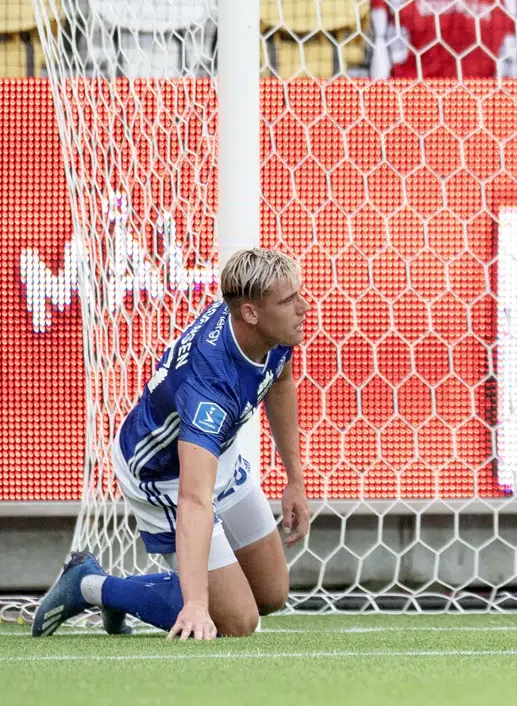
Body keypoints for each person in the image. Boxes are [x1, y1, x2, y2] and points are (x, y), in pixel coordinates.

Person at [32, 248, 312, 640]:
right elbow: (193, 499)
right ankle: (90, 585)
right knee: (237, 622)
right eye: (288, 300)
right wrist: (195, 603)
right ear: (250, 313)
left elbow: (280, 383)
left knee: (270, 594)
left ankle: (189, 589)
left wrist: (295, 479)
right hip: (161, 474)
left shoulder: (271, 331)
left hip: (215, 451)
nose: (303, 307)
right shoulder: (209, 386)